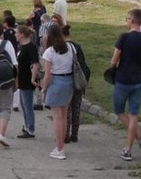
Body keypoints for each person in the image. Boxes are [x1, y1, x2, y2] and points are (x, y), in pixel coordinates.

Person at [111, 9, 141, 161]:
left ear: (132, 21)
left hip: (123, 79)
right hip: (139, 80)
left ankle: (139, 139)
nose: (126, 21)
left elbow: (114, 60)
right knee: (134, 114)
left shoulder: (124, 37)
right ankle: (129, 148)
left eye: (127, 19)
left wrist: (114, 66)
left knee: (119, 110)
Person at [42, 24, 74, 159]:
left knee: (57, 117)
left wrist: (44, 89)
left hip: (56, 82)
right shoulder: (71, 47)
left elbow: (47, 75)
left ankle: (59, 148)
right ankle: (61, 145)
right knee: (64, 115)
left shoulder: (49, 52)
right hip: (69, 81)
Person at [63, 24, 90, 143]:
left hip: (68, 81)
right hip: (78, 81)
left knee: (67, 109)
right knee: (76, 108)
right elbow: (84, 65)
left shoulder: (63, 48)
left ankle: (65, 134)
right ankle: (75, 134)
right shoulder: (77, 47)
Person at [14, 24, 41, 140]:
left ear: (22, 35)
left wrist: (33, 78)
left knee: (27, 105)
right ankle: (27, 125)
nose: (15, 35)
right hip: (21, 79)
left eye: (16, 33)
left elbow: (35, 64)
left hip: (27, 80)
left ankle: (30, 128)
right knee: (23, 105)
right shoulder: (21, 47)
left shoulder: (31, 47)